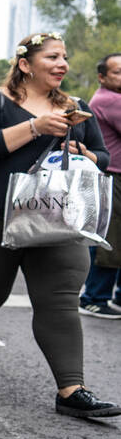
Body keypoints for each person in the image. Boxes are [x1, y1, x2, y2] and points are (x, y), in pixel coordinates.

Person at [0, 32, 118, 419]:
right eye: (53, 57)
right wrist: (37, 127)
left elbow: (104, 157)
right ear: (25, 64)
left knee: (60, 299)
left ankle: (71, 390)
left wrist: (84, 152)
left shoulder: (76, 108)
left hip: (58, 217)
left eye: (64, 57)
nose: (63, 64)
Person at [78, 52, 121, 318]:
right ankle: (94, 297)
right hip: (114, 176)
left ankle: (110, 296)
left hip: (114, 175)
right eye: (117, 72)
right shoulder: (110, 100)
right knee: (111, 239)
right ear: (102, 77)